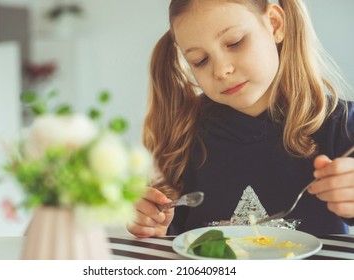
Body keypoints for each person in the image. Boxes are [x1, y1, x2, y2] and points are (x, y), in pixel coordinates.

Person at [127, 0, 354, 237]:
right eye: (200, 61)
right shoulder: (181, 136)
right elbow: (175, 237)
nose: (220, 70)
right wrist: (156, 224)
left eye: (234, 43)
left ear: (275, 24)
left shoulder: (341, 125)